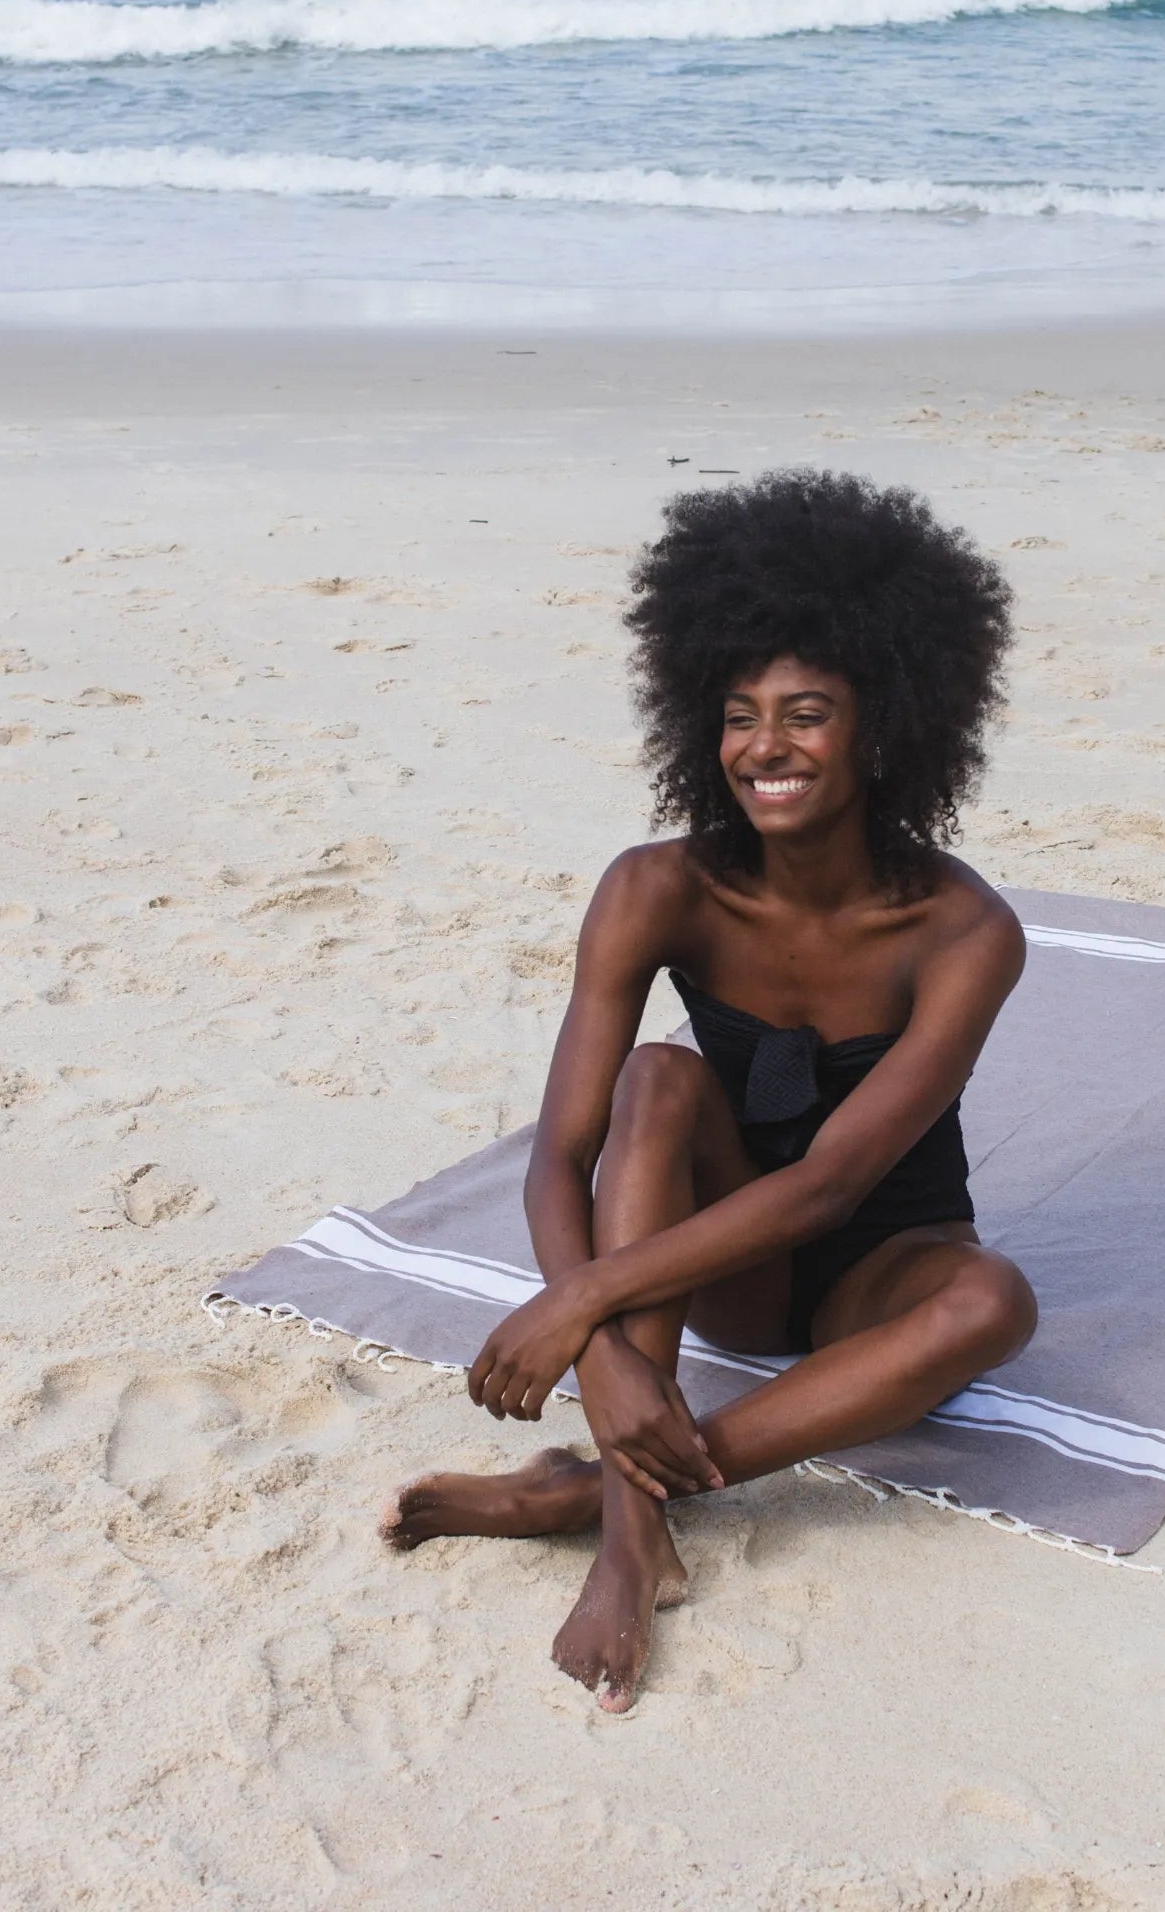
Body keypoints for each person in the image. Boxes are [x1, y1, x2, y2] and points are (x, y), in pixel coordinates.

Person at [381, 470, 1036, 1711]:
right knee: (660, 1075)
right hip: (710, 1275)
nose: (763, 748)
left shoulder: (962, 931)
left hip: (872, 1280)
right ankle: (637, 1536)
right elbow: (560, 1149)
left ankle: (606, 1494)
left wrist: (579, 1306)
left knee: (992, 1301)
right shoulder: (654, 887)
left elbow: (834, 1180)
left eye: (805, 714)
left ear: (885, 726)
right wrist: (604, 1351)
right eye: (738, 715)